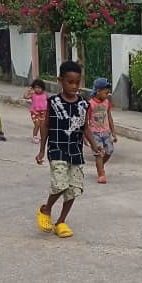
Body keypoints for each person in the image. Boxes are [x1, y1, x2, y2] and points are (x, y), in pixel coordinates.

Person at [35, 61, 102, 239]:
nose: (73, 86)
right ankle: (46, 209)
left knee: (73, 188)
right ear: (60, 80)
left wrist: (95, 145)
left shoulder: (84, 105)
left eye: (77, 82)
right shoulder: (53, 102)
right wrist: (42, 150)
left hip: (76, 151)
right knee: (60, 184)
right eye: (69, 82)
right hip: (56, 149)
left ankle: (61, 221)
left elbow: (85, 127)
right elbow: (45, 125)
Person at [87, 77, 118, 183]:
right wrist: (85, 137)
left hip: (106, 132)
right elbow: (85, 121)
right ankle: (101, 173)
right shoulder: (90, 104)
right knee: (99, 154)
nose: (107, 95)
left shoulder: (106, 102)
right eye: (106, 93)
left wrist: (113, 132)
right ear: (98, 91)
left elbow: (109, 117)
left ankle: (100, 165)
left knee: (109, 151)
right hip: (94, 133)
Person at [24, 78, 48, 144]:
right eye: (36, 87)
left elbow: (48, 101)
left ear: (42, 88)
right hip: (35, 112)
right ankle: (34, 137)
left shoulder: (45, 94)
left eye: (39, 88)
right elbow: (25, 96)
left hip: (43, 112)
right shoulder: (33, 94)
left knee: (42, 125)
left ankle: (42, 137)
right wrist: (28, 90)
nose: (38, 89)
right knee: (37, 124)